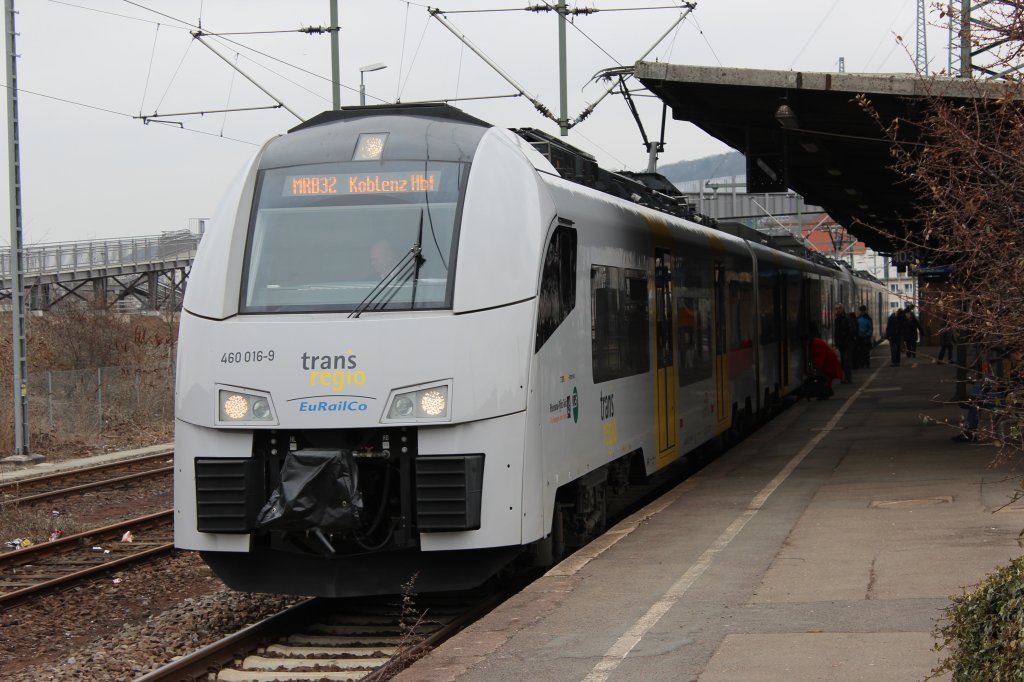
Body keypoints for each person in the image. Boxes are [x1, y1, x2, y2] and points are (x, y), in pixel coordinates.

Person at [810, 332, 843, 398]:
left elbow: (819, 357)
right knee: (827, 379)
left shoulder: (816, 344)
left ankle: (825, 393)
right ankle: (826, 392)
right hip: (828, 362)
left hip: (829, 363)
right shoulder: (816, 342)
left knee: (826, 378)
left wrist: (817, 368)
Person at [833, 303, 854, 384]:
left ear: (842, 309)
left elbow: (850, 330)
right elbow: (836, 332)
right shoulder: (837, 319)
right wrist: (837, 342)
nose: (837, 310)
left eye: (838, 308)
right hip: (841, 343)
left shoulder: (846, 318)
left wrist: (846, 339)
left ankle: (848, 378)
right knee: (844, 361)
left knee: (846, 361)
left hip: (847, 343)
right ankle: (846, 378)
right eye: (836, 309)